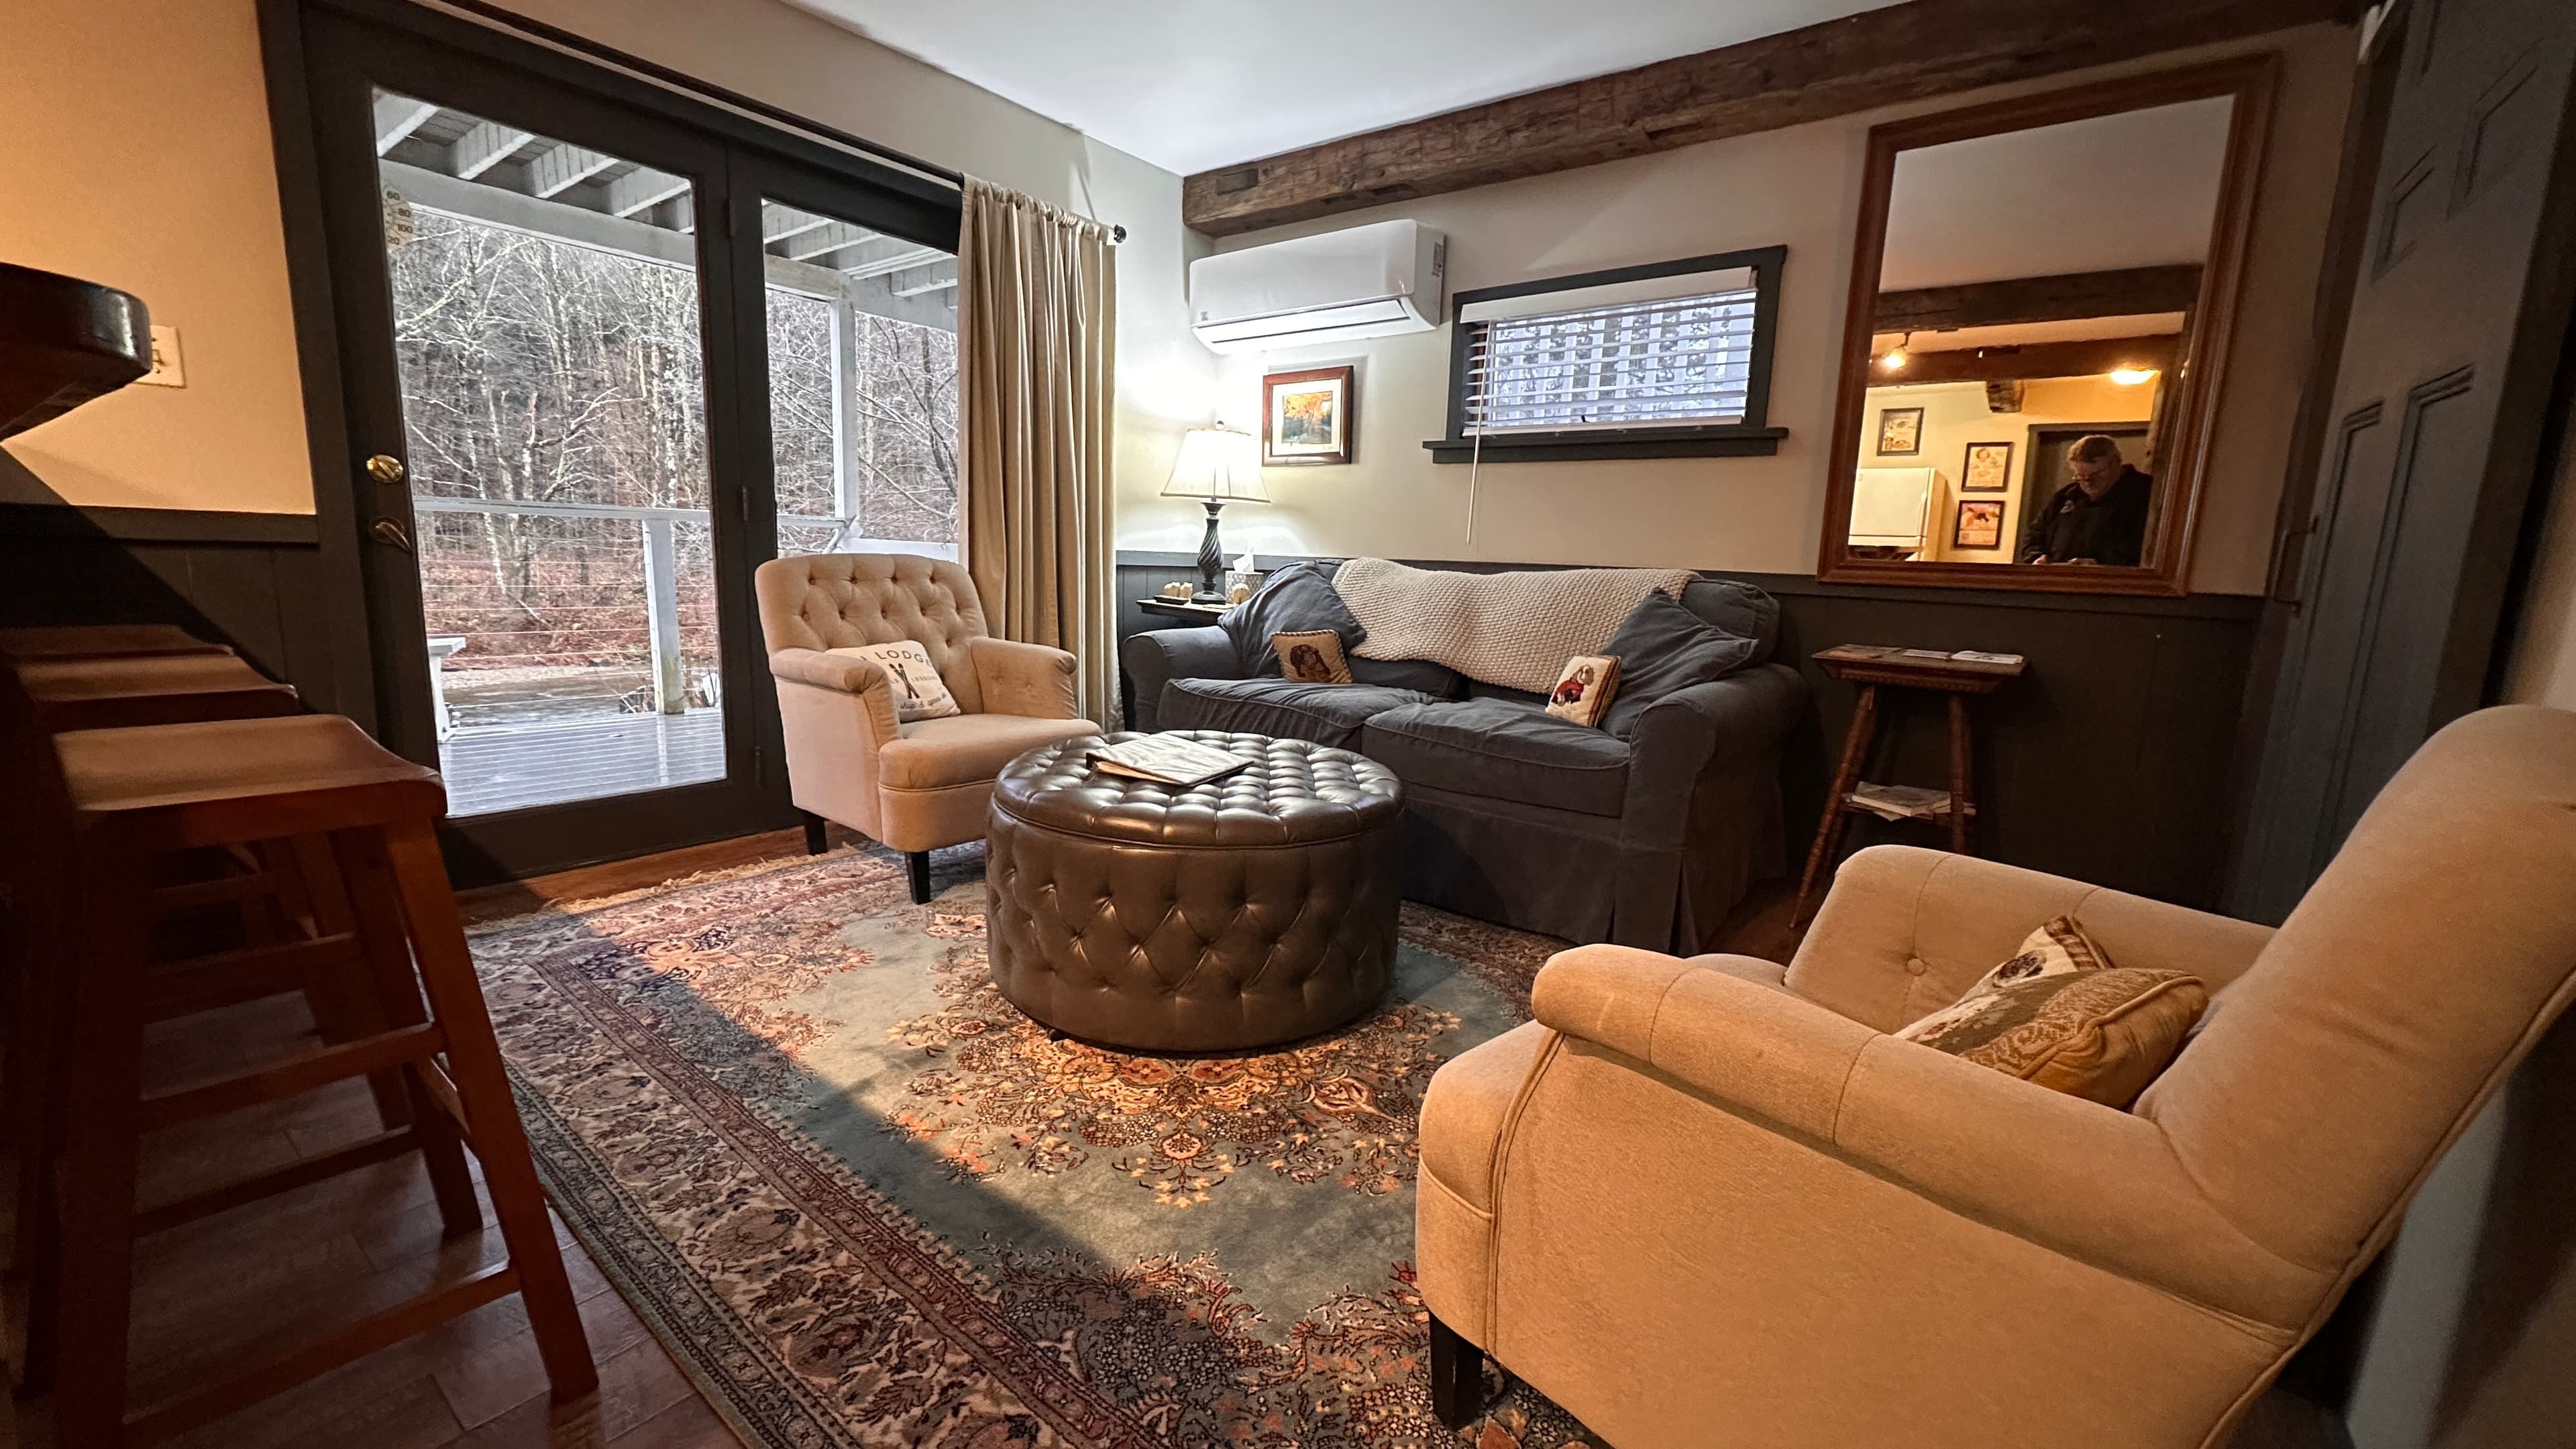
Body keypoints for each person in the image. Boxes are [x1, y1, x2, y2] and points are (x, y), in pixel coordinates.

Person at [2018, 435, 2152, 567]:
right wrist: (2037, 557)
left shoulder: (2146, 493)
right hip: (2058, 577)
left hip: (2116, 579)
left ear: (2116, 463)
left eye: (2096, 475)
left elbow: (2145, 545)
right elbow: (2034, 536)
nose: (2088, 483)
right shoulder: (2066, 496)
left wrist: (2101, 564)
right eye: (2080, 476)